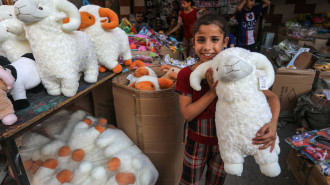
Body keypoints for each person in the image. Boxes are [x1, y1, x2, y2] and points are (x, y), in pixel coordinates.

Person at [175, 13, 280, 184]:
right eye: (201, 40)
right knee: (189, 182)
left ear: (225, 42)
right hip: (196, 143)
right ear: (193, 42)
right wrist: (212, 92)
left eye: (214, 39)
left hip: (227, 145)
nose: (207, 47)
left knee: (216, 181)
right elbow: (187, 114)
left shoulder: (240, 70)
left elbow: (272, 97)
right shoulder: (186, 75)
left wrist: (273, 123)